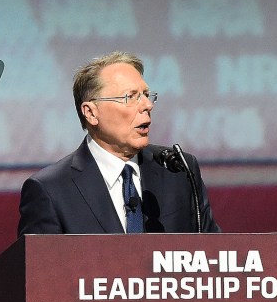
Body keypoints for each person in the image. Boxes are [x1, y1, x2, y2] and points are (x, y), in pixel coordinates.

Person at [17, 51, 220, 237]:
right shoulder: (51, 190)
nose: (147, 105)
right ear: (91, 112)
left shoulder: (179, 171)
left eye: (146, 95)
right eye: (130, 97)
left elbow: (215, 256)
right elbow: (38, 272)